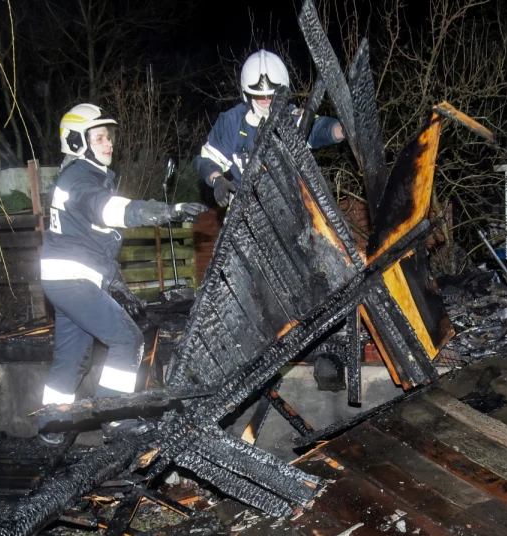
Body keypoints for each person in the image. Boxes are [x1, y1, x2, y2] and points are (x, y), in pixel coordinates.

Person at [38, 103, 207, 441]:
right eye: (99, 137)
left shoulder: (83, 177)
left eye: (109, 137)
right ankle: (114, 417)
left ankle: (51, 425)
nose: (108, 144)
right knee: (127, 340)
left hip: (66, 278)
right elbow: (108, 211)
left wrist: (115, 281)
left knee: (70, 356)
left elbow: (87, 240)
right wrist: (162, 211)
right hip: (72, 280)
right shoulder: (81, 178)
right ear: (76, 142)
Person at [197, 50, 345, 207]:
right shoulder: (231, 123)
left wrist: (341, 129)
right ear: (247, 93)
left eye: (271, 95)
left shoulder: (289, 119)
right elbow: (207, 158)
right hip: (245, 212)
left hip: (289, 208)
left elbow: (316, 129)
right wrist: (217, 179)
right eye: (260, 96)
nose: (266, 100)